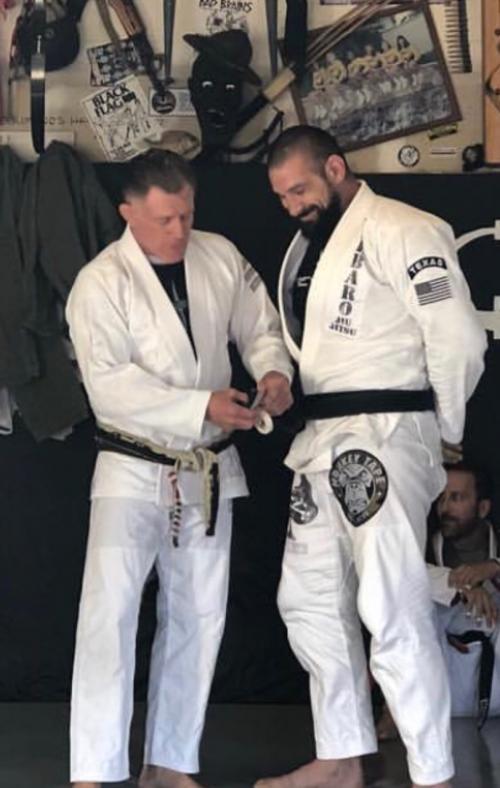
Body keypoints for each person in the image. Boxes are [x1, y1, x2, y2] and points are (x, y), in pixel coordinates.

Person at [257, 125, 487, 788]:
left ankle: (434, 773)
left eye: (300, 188)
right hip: (321, 440)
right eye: (281, 197)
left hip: (384, 433)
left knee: (391, 607)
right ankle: (343, 754)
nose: (293, 205)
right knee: (308, 599)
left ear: (335, 168)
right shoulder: (307, 248)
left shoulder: (406, 228)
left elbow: (457, 337)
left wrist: (445, 427)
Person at [66, 148, 293, 788]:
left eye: (186, 215)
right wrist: (200, 406)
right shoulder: (100, 282)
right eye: (165, 219)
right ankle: (93, 770)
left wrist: (274, 372)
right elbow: (109, 387)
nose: (179, 230)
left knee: (199, 616)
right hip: (132, 467)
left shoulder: (218, 256)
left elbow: (261, 327)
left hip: (209, 468)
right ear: (128, 213)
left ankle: (169, 764)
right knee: (109, 617)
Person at [430, 462, 500, 721]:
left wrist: (493, 567)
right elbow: (399, 572)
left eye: (456, 498)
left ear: (482, 508)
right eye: (441, 498)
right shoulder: (422, 547)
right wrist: (460, 586)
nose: (445, 508)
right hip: (441, 707)